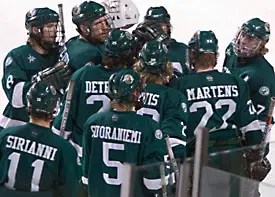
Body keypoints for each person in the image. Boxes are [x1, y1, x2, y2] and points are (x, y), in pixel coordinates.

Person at [174, 30, 263, 182]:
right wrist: (256, 158)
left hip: (199, 157)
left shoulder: (180, 85)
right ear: (215, 56)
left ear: (192, 55)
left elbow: (175, 132)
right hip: (233, 156)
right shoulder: (236, 83)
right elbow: (252, 129)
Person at [52, 29, 137, 166]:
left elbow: (64, 119)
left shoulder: (82, 74)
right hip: (119, 151)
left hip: (80, 151)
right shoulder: (130, 80)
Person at [82, 69, 167, 197]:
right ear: (136, 93)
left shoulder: (92, 122)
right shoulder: (149, 128)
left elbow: (86, 178)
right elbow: (153, 183)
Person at [222, 17, 275, 197]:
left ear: (261, 44)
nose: (243, 41)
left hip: (241, 143)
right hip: (222, 135)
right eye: (244, 34)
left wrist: (256, 154)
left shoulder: (264, 76)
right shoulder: (230, 51)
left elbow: (260, 122)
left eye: (251, 38)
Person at [0, 82, 79, 197]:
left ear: (28, 106)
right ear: (55, 109)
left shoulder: (5, 135)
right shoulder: (65, 149)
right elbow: (69, 191)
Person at [0, 7, 71, 131]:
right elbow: (15, 98)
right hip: (16, 129)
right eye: (49, 26)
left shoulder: (60, 54)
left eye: (55, 26)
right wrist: (43, 82)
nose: (54, 31)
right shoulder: (17, 56)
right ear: (35, 29)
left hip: (47, 129)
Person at [134, 40, 188, 159]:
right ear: (167, 66)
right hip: (154, 163)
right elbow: (174, 143)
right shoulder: (173, 96)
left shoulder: (131, 93)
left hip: (129, 160)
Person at [133, 6, 190, 80]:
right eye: (153, 26)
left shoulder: (181, 49)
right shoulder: (140, 51)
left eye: (160, 25)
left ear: (168, 26)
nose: (157, 29)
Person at [66, 1, 113, 72]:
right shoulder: (86, 53)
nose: (105, 27)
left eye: (105, 21)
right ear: (84, 28)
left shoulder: (74, 41)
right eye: (98, 23)